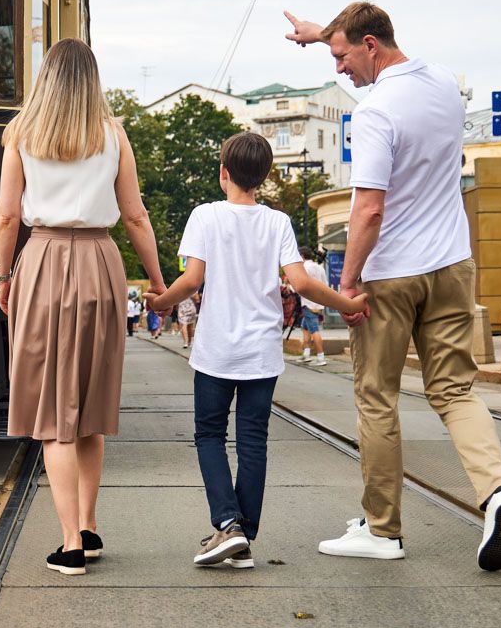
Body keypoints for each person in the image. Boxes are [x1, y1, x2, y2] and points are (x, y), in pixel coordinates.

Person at [286, 2, 501, 571]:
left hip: (391, 273)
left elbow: (367, 210)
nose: (339, 70)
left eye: (342, 57)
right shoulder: (444, 84)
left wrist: (346, 288)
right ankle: (498, 495)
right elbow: (369, 45)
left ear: (370, 45)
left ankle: (383, 529)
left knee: (376, 397)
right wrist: (324, 35)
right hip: (452, 265)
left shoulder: (375, 113)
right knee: (456, 391)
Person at [146, 132, 366, 568]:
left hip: (215, 352)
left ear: (223, 172)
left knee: (209, 435)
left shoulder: (204, 216)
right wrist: (349, 306)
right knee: (253, 442)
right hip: (261, 353)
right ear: (263, 177)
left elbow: (191, 281)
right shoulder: (278, 222)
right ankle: (243, 536)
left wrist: (158, 303)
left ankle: (227, 524)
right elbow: (301, 284)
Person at [0, 39, 166, 577]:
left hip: (43, 259)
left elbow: (5, 217)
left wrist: (4, 276)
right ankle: (88, 528)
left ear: (46, 78)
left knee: (53, 417)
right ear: (93, 80)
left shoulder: (23, 132)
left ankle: (69, 543)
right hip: (100, 261)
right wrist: (160, 281)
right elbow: (135, 216)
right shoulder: (114, 135)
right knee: (89, 411)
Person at [298, 245, 329, 366]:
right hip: (318, 303)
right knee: (305, 327)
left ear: (301, 256)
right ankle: (306, 354)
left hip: (307, 302)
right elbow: (325, 284)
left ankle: (321, 357)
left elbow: (300, 284)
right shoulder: (319, 267)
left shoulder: (303, 267)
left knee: (314, 329)